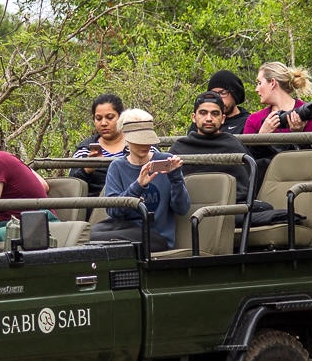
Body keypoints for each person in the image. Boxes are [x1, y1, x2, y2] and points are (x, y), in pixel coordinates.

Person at [94, 109, 190, 252]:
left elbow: (182, 208)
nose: (145, 145)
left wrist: (175, 178)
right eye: (139, 141)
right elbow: (113, 211)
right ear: (125, 137)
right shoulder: (117, 167)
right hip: (124, 230)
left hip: (156, 236)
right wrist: (138, 185)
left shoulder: (165, 160)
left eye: (148, 140)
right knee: (88, 235)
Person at [242, 62, 312, 191]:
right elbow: (246, 163)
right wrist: (261, 137)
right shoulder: (255, 120)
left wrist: (300, 136)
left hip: (301, 184)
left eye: (259, 83)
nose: (256, 89)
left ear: (272, 83)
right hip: (262, 189)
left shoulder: (308, 113)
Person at [167, 91, 253, 204]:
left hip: (227, 210)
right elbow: (169, 189)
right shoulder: (179, 148)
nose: (209, 118)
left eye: (215, 113)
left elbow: (244, 190)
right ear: (193, 117)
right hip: (187, 210)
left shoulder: (233, 146)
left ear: (223, 118)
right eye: (203, 113)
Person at [70, 93, 127, 196]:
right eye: (99, 118)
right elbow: (72, 185)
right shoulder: (85, 150)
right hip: (96, 206)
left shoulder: (138, 144)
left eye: (110, 117)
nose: (104, 123)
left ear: (121, 117)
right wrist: (86, 170)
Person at [207, 70, 252, 135]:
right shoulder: (203, 121)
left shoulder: (248, 122)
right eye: (213, 93)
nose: (218, 98)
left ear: (235, 94)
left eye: (222, 93)